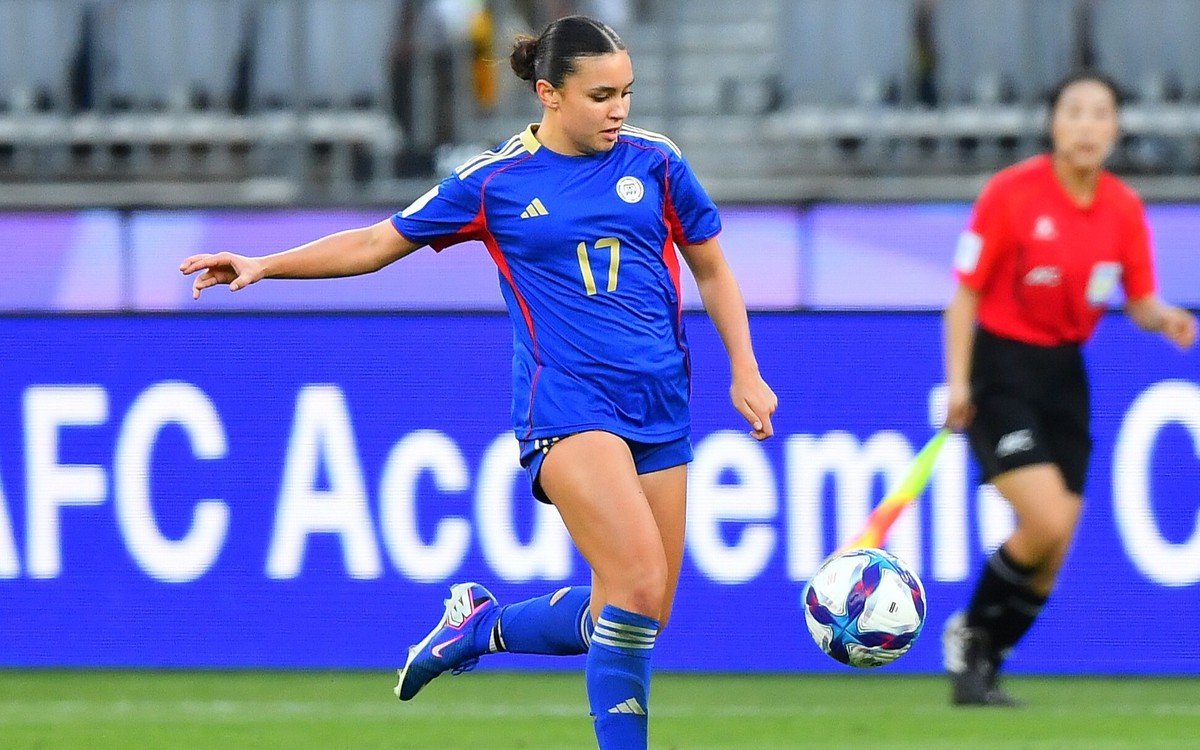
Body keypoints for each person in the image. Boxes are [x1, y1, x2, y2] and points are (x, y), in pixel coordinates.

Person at [181, 15, 777, 748]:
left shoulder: (656, 162)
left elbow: (711, 267)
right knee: (635, 582)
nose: (619, 110)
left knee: (637, 609)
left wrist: (745, 369)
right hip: (568, 406)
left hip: (660, 405)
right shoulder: (494, 181)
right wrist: (266, 264)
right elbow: (375, 244)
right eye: (601, 96)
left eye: (626, 93)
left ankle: (480, 627)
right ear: (549, 93)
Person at [941, 69, 1196, 706]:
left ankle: (985, 666)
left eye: (1100, 114)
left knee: (1055, 551)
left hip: (1065, 374)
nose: (1087, 126)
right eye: (1074, 112)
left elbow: (1137, 298)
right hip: (1001, 369)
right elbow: (963, 297)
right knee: (1045, 519)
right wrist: (959, 382)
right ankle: (967, 633)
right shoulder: (1010, 194)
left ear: (1116, 128)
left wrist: (1163, 317)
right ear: (1054, 123)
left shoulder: (1123, 209)